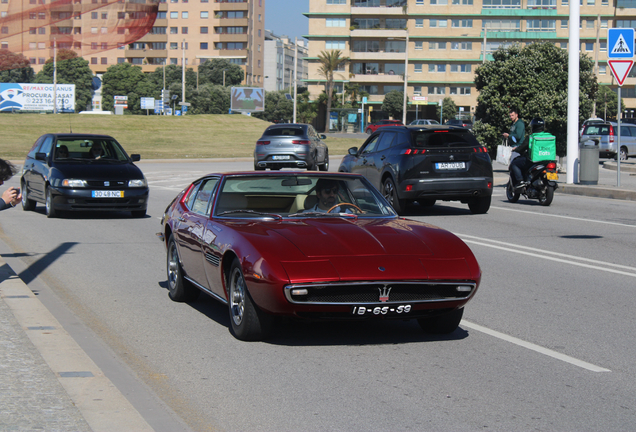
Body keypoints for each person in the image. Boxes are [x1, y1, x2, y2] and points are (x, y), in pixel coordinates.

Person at [510, 118, 545, 189]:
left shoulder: (531, 137)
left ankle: (520, 181)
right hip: (546, 160)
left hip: (533, 161)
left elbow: (522, 147)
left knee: (514, 164)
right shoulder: (548, 136)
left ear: (533, 127)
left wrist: (516, 149)